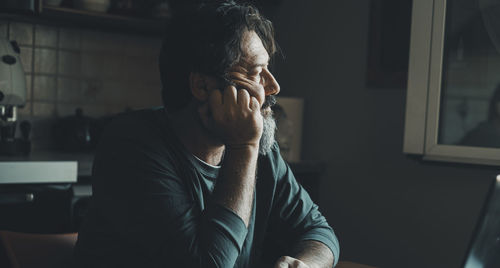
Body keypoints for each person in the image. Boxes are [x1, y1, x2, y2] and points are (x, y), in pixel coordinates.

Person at [73, 1, 339, 267]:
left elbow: (319, 232)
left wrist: (304, 265)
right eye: (257, 73)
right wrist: (244, 146)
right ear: (201, 85)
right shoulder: (131, 148)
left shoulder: (263, 152)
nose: (274, 87)